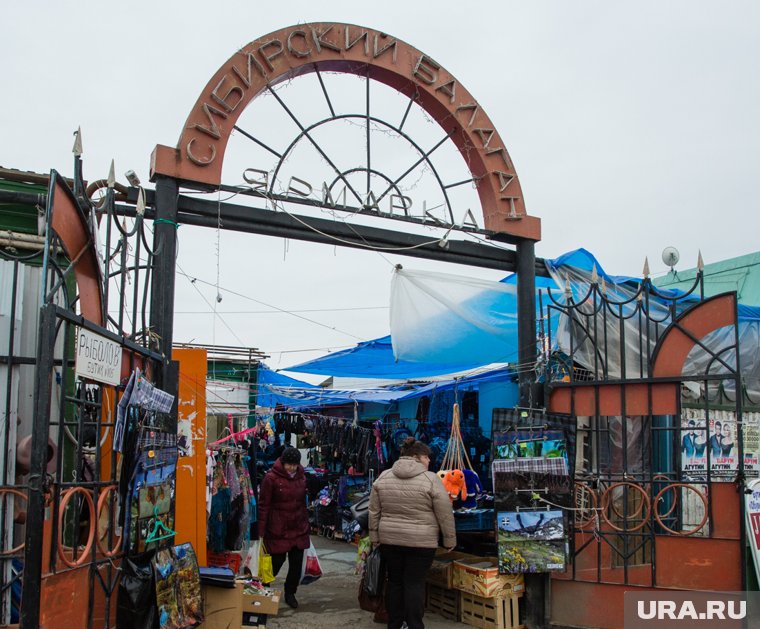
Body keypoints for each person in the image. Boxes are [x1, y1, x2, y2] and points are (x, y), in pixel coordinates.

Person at [369, 437, 456, 629]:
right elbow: (444, 513)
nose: (429, 461)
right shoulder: (431, 479)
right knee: (414, 584)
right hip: (421, 543)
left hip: (390, 541)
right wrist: (449, 539)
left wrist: (375, 537)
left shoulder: (383, 477)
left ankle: (395, 624)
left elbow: (374, 511)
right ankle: (415, 625)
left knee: (395, 582)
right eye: (426, 457)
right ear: (416, 457)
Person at [257, 446, 310, 609]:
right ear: (283, 462)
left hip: (298, 526)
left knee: (296, 564)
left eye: (294, 464)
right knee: (275, 562)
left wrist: (306, 523)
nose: (292, 468)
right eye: (289, 464)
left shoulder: (302, 477)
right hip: (278, 527)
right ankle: (264, 589)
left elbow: (303, 502)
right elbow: (264, 505)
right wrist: (261, 530)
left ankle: (290, 593)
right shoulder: (271, 478)